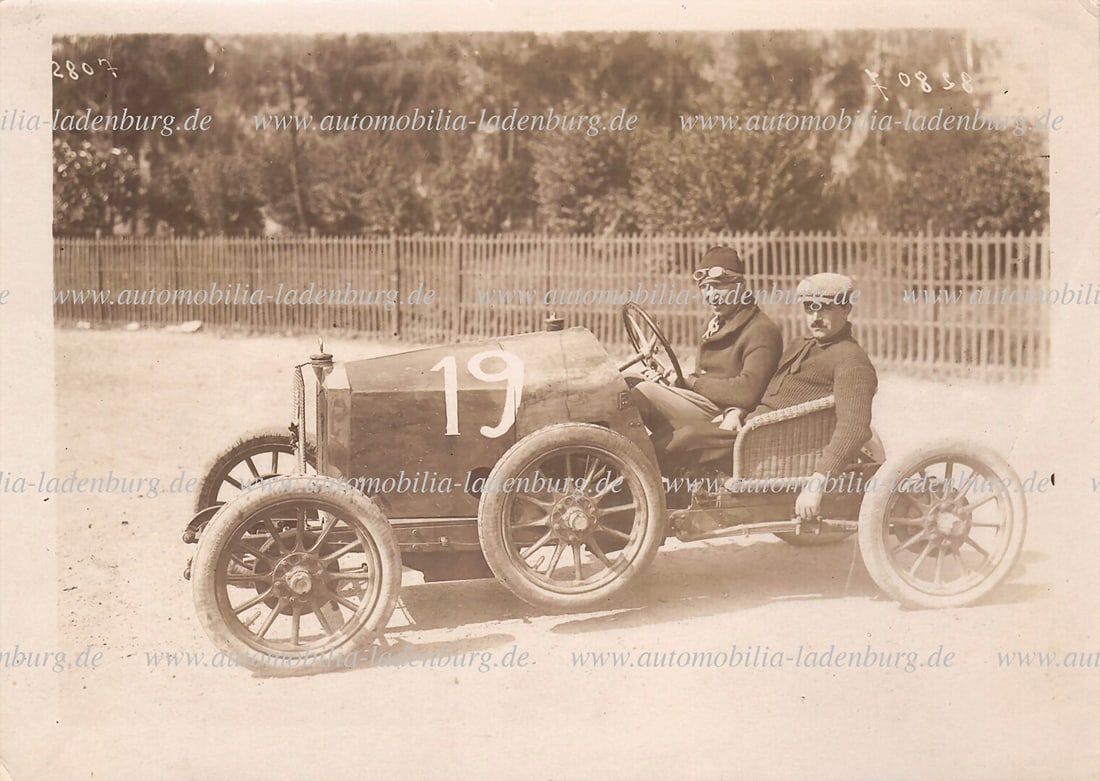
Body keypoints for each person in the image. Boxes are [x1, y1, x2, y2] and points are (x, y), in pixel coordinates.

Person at [630, 245, 782, 471]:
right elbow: (702, 377)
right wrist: (672, 379)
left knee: (639, 394)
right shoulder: (715, 324)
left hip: (726, 413)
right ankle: (603, 457)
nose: (711, 295)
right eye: (705, 288)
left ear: (740, 286)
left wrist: (687, 382)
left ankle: (624, 466)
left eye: (719, 287)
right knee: (628, 382)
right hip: (706, 403)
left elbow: (748, 392)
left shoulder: (761, 330)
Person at [746, 272, 877, 521]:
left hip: (773, 448)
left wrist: (817, 482)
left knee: (684, 438)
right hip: (752, 433)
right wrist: (737, 412)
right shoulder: (802, 344)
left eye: (825, 308)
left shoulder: (851, 360)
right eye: (809, 308)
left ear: (846, 309)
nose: (815, 318)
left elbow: (855, 427)